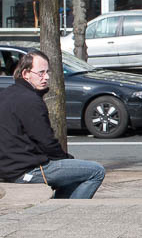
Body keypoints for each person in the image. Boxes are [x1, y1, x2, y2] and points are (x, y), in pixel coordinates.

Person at [0, 50, 105, 198]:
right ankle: (68, 210)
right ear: (26, 74)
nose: (46, 77)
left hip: (8, 167)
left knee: (74, 172)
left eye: (47, 72)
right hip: (27, 170)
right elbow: (46, 142)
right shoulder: (30, 101)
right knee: (96, 171)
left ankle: (60, 203)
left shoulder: (6, 94)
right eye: (41, 73)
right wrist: (66, 159)